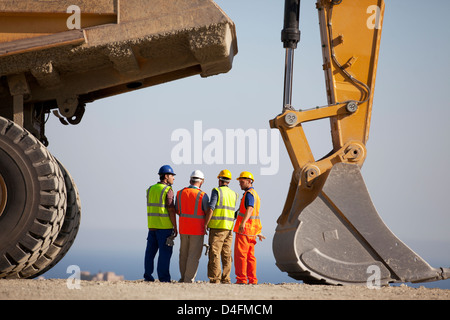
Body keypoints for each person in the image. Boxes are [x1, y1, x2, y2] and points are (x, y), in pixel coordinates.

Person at [144, 165, 178, 282]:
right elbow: (171, 209)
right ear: (166, 176)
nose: (173, 178)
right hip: (164, 227)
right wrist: (175, 226)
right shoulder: (167, 190)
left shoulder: (150, 189)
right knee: (165, 255)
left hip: (152, 226)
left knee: (150, 253)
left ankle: (148, 276)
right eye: (172, 176)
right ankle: (164, 279)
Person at [204, 169, 238, 284]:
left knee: (215, 253)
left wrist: (205, 223)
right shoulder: (234, 194)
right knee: (227, 254)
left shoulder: (216, 191)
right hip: (229, 229)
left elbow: (211, 208)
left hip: (217, 228)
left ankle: (215, 279)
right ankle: (226, 278)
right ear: (229, 181)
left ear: (219, 179)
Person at [175, 170, 209, 283]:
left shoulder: (180, 193)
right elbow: (206, 211)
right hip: (197, 230)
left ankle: (183, 277)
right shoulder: (203, 195)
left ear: (190, 180)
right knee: (193, 256)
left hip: (183, 229)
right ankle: (188, 279)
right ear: (202, 181)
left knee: (183, 254)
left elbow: (177, 210)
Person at [233, 171, 265, 285]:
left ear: (249, 181)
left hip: (244, 231)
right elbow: (255, 213)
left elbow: (250, 209)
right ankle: (252, 280)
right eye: (239, 182)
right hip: (252, 232)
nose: (240, 184)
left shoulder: (249, 194)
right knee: (250, 257)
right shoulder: (255, 194)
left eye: (242, 182)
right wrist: (258, 232)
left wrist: (242, 223)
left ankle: (241, 279)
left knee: (240, 255)